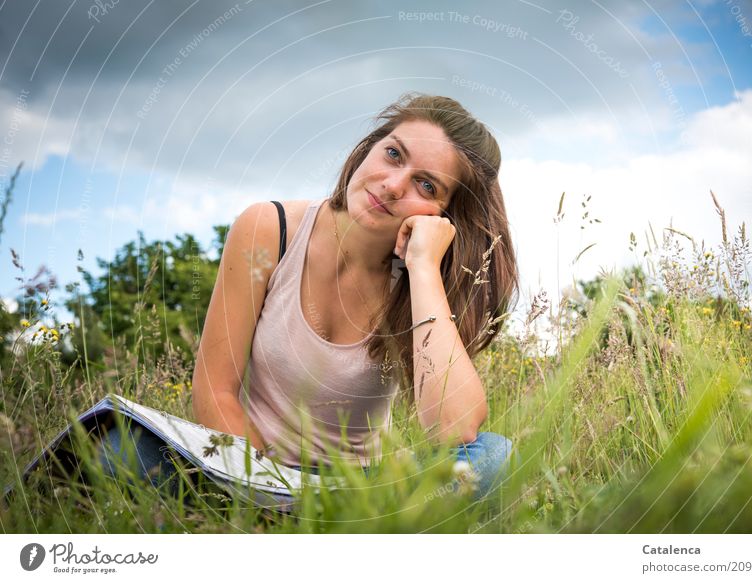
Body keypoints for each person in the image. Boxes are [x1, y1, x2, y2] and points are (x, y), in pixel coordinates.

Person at [101, 92, 520, 504]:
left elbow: (454, 430)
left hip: (357, 489)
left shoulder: (421, 277)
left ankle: (337, 527)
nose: (393, 185)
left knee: (493, 456)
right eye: (393, 154)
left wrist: (424, 268)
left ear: (443, 215)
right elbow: (216, 388)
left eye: (425, 185)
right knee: (117, 446)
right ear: (368, 149)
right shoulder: (268, 228)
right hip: (252, 466)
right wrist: (265, 485)